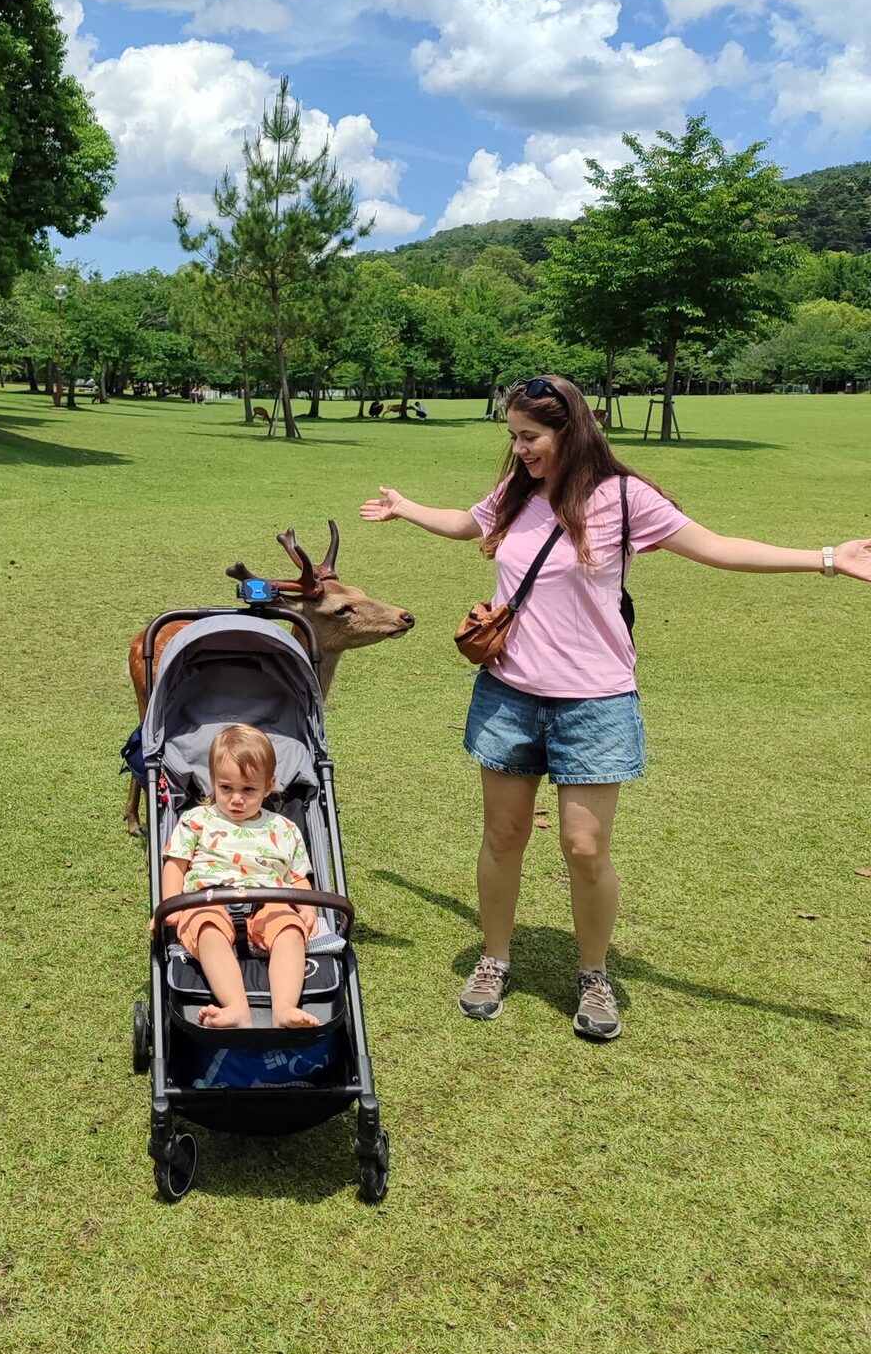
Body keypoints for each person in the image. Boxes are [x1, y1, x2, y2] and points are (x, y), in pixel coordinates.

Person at [359, 372, 871, 1043]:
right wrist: (406, 507)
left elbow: (715, 548)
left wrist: (827, 557)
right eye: (513, 438)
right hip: (509, 694)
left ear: (570, 430)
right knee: (504, 837)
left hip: (595, 703)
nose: (520, 452)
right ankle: (494, 959)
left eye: (531, 437)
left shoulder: (625, 499)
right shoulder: (516, 491)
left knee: (585, 846)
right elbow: (466, 523)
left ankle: (594, 973)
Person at [161, 722, 319, 1031]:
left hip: (269, 900)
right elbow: (175, 866)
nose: (236, 799)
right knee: (207, 929)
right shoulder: (196, 820)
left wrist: (308, 909)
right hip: (209, 899)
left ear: (269, 785)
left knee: (290, 931)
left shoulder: (284, 829)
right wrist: (171, 906)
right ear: (213, 782)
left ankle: (284, 1008)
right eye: (226, 788)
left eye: (248, 789)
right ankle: (236, 1007)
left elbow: (297, 877)